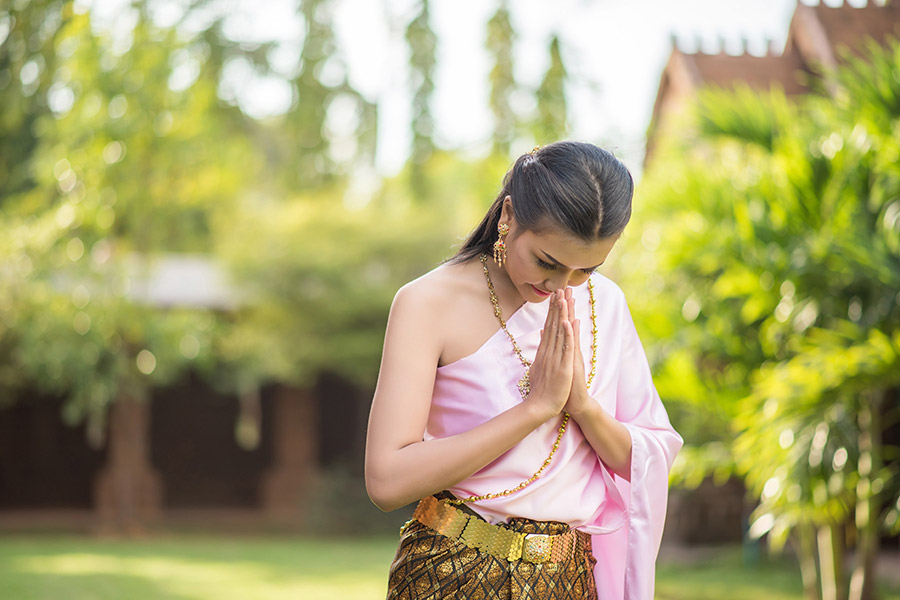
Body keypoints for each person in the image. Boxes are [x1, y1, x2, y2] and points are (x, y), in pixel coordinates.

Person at [365, 141, 682, 600]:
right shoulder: (426, 303)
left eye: (584, 270)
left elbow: (648, 456)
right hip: (451, 570)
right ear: (509, 215)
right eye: (546, 262)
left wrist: (583, 408)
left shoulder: (605, 304)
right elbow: (387, 479)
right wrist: (535, 409)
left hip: (568, 579)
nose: (559, 286)